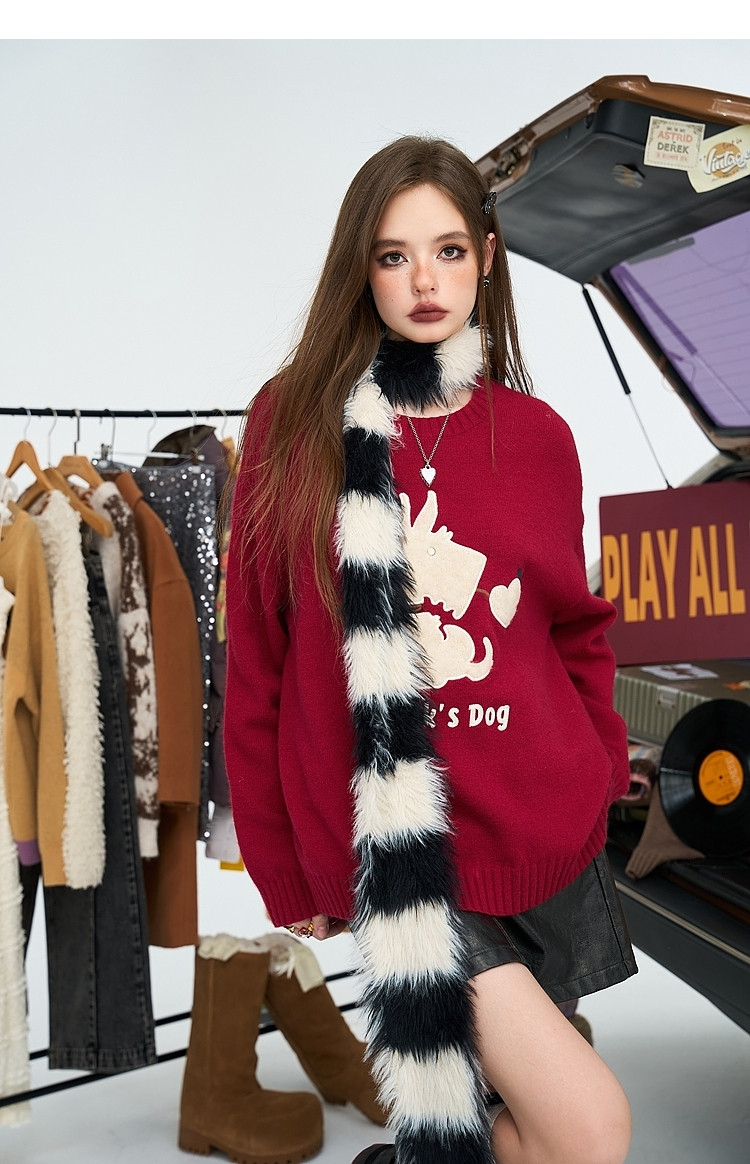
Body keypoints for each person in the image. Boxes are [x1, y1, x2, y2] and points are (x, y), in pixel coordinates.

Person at [224, 135, 637, 1164]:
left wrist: (594, 768)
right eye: (394, 255)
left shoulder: (537, 436)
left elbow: (574, 630)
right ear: (361, 269)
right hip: (400, 846)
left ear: (487, 258)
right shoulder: (294, 422)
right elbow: (260, 660)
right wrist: (284, 865)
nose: (424, 282)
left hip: (535, 827)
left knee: (525, 1135)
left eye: (449, 251)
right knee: (590, 1128)